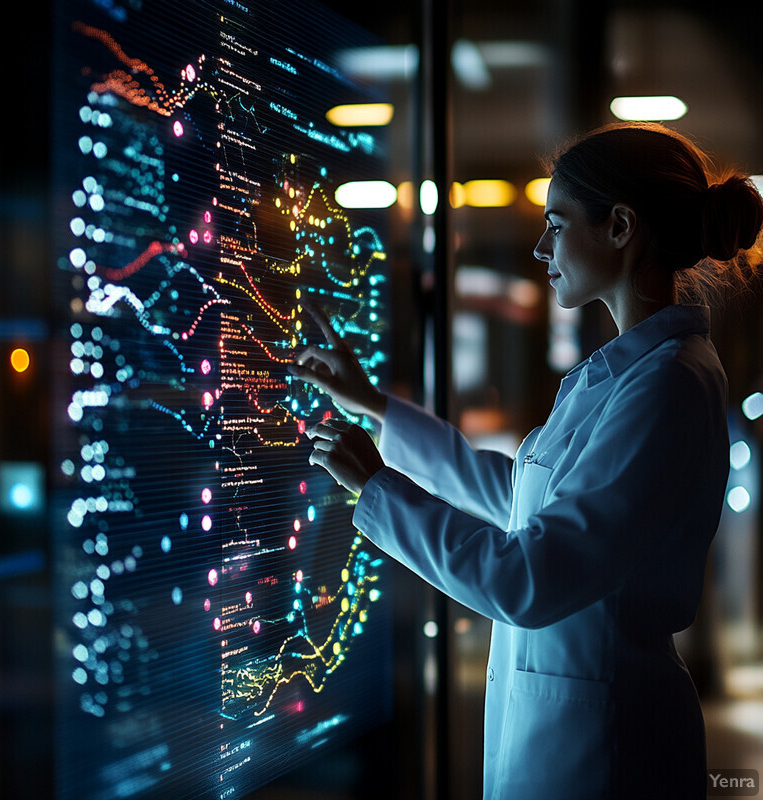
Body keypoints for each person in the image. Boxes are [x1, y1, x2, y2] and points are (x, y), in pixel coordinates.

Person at [287, 122, 763, 799]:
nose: (541, 247)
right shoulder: (635, 373)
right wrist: (375, 408)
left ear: (621, 227)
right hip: (582, 733)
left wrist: (378, 490)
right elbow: (521, 497)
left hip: (605, 753)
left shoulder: (667, 384)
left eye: (558, 224)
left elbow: (526, 581)